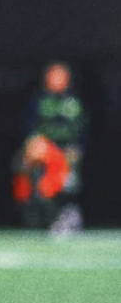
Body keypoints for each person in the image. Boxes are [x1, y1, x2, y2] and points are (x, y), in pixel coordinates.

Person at [27, 62, 86, 231]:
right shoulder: (40, 101)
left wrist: (79, 148)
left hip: (67, 151)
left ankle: (70, 217)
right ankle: (49, 218)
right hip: (46, 153)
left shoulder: (74, 102)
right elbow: (30, 127)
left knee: (69, 186)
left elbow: (82, 129)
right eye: (54, 77)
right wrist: (34, 145)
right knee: (42, 189)